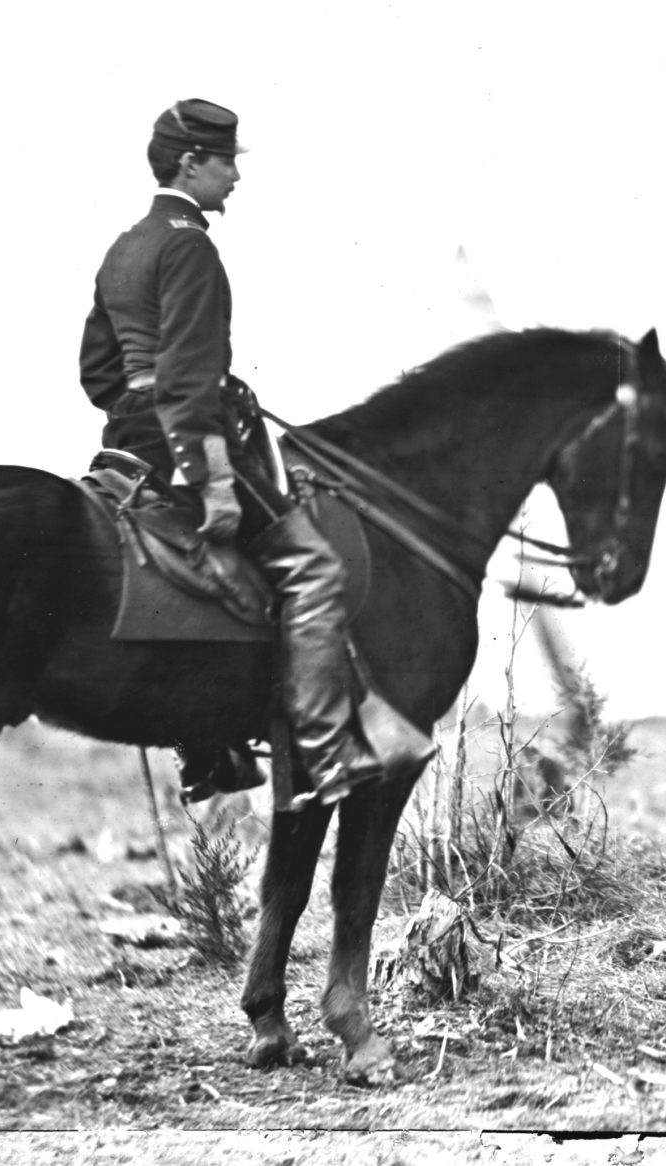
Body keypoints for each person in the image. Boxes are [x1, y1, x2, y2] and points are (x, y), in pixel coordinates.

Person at [77, 98, 428, 806]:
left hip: (128, 446)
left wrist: (140, 414)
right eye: (226, 161)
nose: (234, 176)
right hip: (192, 441)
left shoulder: (125, 247)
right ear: (190, 163)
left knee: (199, 581)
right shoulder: (189, 245)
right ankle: (329, 754)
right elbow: (187, 380)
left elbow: (98, 373)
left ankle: (207, 748)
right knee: (314, 570)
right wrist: (209, 477)